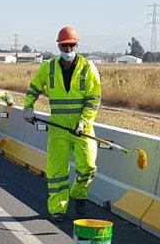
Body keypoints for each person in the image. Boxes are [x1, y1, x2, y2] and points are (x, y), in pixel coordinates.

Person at [22, 26, 102, 222]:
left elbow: (93, 100)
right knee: (57, 171)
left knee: (88, 167)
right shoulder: (47, 68)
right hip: (58, 128)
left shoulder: (88, 68)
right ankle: (57, 208)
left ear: (77, 44)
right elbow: (33, 89)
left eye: (71, 45)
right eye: (64, 46)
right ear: (58, 45)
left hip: (82, 129)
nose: (67, 50)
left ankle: (79, 194)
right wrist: (28, 108)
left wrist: (83, 122)